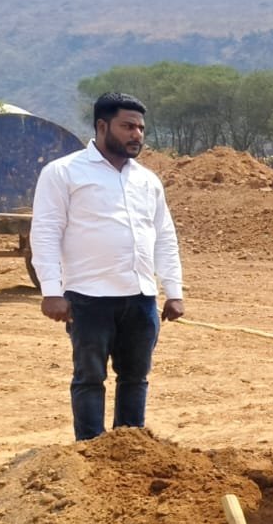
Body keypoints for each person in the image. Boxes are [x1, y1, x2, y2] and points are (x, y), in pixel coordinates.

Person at [30, 92, 185, 441]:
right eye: (128, 126)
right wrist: (52, 292)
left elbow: (164, 237)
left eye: (141, 128)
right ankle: (90, 451)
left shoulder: (147, 180)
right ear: (102, 126)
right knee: (89, 378)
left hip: (141, 299)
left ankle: (129, 449)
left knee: (135, 378)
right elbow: (45, 233)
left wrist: (174, 292)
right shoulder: (63, 173)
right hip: (88, 298)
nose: (137, 135)